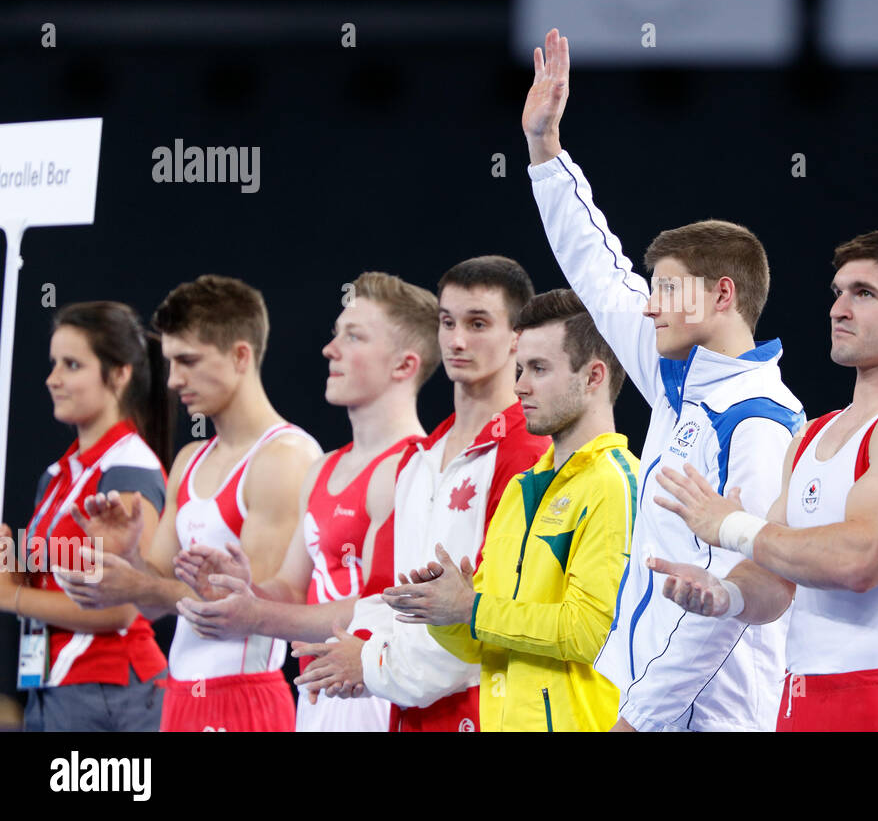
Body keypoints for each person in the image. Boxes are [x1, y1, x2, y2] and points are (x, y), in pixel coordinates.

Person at [524, 28, 804, 731]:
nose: (649, 304)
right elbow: (596, 265)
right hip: (650, 704)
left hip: (707, 714)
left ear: (720, 297)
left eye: (667, 290)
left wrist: (638, 718)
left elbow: (733, 598)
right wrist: (545, 146)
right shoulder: (676, 378)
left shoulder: (760, 420)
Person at [650, 230, 878, 731]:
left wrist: (733, 527)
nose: (838, 309)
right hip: (799, 699)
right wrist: (725, 595)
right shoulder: (812, 434)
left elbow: (859, 560)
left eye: (863, 294)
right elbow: (777, 580)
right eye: (838, 292)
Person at [170, 272, 438, 731]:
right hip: (318, 696)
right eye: (335, 334)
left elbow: (380, 607)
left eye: (352, 337)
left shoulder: (414, 469)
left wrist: (256, 615)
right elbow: (292, 589)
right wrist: (243, 588)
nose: (329, 350)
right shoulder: (323, 467)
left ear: (403, 365)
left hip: (379, 696)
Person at [295, 256, 550, 732]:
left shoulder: (530, 453)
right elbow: (389, 597)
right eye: (447, 322)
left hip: (486, 712)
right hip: (409, 712)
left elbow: (493, 617)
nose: (456, 340)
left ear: (517, 336)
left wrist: (370, 664)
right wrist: (352, 647)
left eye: (478, 324)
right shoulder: (420, 459)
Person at [56, 275, 321, 732]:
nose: (174, 379)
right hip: (178, 695)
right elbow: (154, 601)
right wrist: (129, 555)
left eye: (189, 361)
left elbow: (244, 611)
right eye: (170, 363)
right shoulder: (188, 460)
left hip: (244, 697)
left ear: (241, 355)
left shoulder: (286, 457)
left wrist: (135, 587)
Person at [387, 289, 639, 731]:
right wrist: (444, 610)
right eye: (521, 368)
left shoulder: (615, 484)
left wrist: (473, 608)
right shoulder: (523, 487)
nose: (520, 384)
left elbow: (590, 632)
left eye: (539, 369)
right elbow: (479, 645)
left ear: (594, 377)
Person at [0, 302, 172, 731]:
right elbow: (49, 577)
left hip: (111, 690)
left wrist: (8, 596)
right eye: (54, 363)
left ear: (119, 374)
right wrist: (11, 561)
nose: (52, 378)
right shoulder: (60, 474)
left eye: (72, 365)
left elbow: (123, 606)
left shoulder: (129, 467)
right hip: (56, 684)